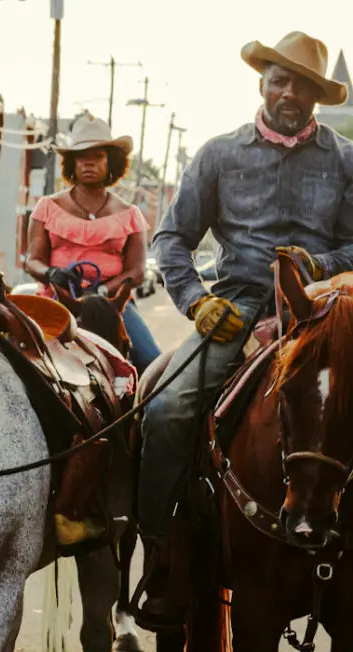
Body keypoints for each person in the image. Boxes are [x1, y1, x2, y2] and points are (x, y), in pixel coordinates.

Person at [136, 31, 353, 627]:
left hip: (322, 313)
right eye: (280, 80)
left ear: (317, 95)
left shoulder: (345, 159)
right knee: (166, 410)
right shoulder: (218, 154)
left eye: (303, 84)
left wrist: (321, 267)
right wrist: (194, 301)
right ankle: (161, 560)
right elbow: (172, 240)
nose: (289, 92)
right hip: (233, 307)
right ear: (261, 83)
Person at [25, 112, 161, 376]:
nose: (89, 163)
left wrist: (100, 292)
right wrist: (51, 273)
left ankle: (142, 415)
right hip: (54, 299)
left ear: (111, 162)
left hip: (112, 305)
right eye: (81, 157)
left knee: (152, 363)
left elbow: (136, 271)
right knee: (12, 359)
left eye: (97, 156)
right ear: (72, 163)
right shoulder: (47, 207)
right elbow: (32, 259)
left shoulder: (130, 214)